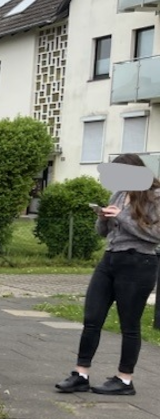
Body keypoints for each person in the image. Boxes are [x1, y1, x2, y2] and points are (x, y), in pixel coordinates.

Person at [56, 153, 160, 396]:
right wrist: (102, 218)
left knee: (129, 324)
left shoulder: (155, 197)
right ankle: (80, 373)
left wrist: (121, 217)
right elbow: (104, 232)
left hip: (138, 262)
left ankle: (125, 380)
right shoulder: (119, 194)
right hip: (110, 259)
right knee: (92, 317)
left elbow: (155, 235)